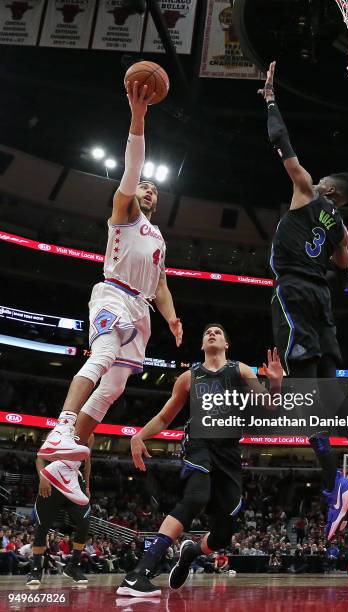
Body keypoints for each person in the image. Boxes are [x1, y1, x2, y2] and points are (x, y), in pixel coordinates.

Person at [258, 61, 348, 539]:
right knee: (329, 396)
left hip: (295, 293)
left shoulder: (306, 193)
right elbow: (344, 266)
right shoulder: (339, 226)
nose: (311, 183)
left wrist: (271, 100)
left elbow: (283, 145)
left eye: (320, 186)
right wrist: (338, 248)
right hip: (321, 302)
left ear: (328, 191)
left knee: (303, 399)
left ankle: (335, 481)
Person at [37, 80, 183, 504]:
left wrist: (171, 317)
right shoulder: (124, 212)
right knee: (100, 358)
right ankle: (63, 426)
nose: (148, 188)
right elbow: (132, 169)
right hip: (113, 295)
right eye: (144, 186)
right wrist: (138, 120)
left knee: (115, 386)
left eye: (154, 188)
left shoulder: (158, 238)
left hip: (141, 310)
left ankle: (65, 466)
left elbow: (161, 284)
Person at [117, 323, 283, 597]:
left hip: (229, 452)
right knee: (195, 497)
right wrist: (139, 436)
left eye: (219, 331)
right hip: (199, 444)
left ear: (226, 344)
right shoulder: (189, 377)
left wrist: (276, 384)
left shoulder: (240, 370)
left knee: (223, 535)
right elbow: (164, 417)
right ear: (202, 345)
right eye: (207, 332)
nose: (212, 333)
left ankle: (191, 552)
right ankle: (139, 573)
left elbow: (271, 405)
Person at [26, 436, 94, 585]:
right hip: (53, 479)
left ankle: (73, 567)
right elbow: (40, 457)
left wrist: (87, 486)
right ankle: (36, 570)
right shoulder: (59, 430)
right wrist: (42, 477)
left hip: (75, 481)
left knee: (84, 520)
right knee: (43, 525)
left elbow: (87, 461)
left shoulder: (89, 434)